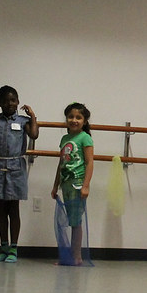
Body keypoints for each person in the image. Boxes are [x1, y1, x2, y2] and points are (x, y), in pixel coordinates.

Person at [0, 85, 39, 263]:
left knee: (14, 209)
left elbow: (34, 135)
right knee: (2, 209)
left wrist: (33, 116)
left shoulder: (23, 121)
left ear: (18, 101)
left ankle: (14, 248)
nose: (9, 103)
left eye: (13, 100)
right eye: (5, 101)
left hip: (16, 167)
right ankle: (3, 248)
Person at [51, 102, 94, 266]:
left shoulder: (85, 138)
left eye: (78, 117)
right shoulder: (64, 139)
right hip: (66, 184)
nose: (74, 120)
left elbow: (90, 162)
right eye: (70, 117)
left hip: (78, 184)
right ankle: (71, 256)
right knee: (71, 220)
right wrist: (55, 185)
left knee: (76, 221)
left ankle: (77, 256)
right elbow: (61, 163)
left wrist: (86, 185)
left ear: (84, 121)